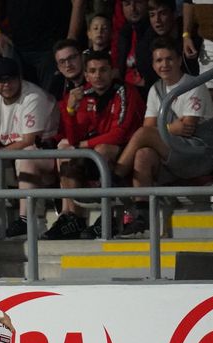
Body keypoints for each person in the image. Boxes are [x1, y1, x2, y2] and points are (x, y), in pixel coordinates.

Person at [114, 37, 213, 235]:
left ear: (179, 60)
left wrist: (164, 129)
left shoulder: (193, 85)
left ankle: (115, 176)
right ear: (153, 64)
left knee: (144, 136)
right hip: (173, 153)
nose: (164, 64)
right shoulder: (156, 89)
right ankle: (142, 215)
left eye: (169, 59)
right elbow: (149, 128)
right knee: (143, 154)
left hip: (199, 153)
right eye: (159, 60)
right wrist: (171, 128)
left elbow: (187, 128)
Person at [48, 49, 145, 239]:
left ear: (113, 71)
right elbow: (74, 138)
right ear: (86, 75)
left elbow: (120, 134)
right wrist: (70, 111)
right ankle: (74, 218)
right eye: (92, 71)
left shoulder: (125, 91)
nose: (98, 76)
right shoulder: (83, 95)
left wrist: (85, 145)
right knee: (66, 150)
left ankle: (109, 218)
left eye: (103, 70)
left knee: (102, 150)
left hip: (128, 149)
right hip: (97, 151)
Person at [0, 55, 58, 241]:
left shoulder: (33, 96)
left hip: (49, 162)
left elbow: (28, 140)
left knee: (26, 155)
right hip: (11, 157)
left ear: (19, 78)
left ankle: (36, 220)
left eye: (11, 79)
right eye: (1, 80)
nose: (6, 85)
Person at [0, 0, 86, 86]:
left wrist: (71, 39)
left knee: (53, 101)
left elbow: (78, 2)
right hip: (17, 46)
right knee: (21, 102)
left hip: (54, 46)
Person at [115, 0, 152, 96]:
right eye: (127, 4)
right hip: (126, 94)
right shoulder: (123, 34)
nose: (133, 9)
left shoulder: (155, 32)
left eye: (139, 2)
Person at [44, 38, 86, 103]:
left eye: (71, 58)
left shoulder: (96, 79)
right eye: (62, 61)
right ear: (59, 68)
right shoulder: (56, 85)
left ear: (82, 57)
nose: (68, 64)